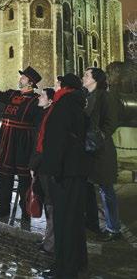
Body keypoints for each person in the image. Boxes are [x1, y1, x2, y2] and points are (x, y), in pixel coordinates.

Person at [31, 73, 89, 279]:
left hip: (64, 172)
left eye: (57, 83)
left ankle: (64, 268)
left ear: (64, 86)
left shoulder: (63, 105)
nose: (54, 86)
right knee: (73, 220)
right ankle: (79, 262)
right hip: (74, 170)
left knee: (64, 222)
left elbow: (57, 142)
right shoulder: (75, 103)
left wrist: (52, 171)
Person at [0, 66, 42, 219]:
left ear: (30, 83)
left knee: (24, 179)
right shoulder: (12, 94)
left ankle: (26, 210)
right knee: (4, 175)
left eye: (23, 78)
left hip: (23, 143)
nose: (20, 79)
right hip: (6, 140)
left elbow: (38, 125)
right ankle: (3, 207)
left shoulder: (36, 100)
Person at [82, 67, 121, 241]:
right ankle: (92, 222)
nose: (83, 77)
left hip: (101, 150)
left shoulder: (105, 96)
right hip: (87, 150)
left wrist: (100, 137)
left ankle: (114, 228)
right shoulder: (86, 97)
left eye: (86, 75)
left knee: (106, 189)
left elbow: (111, 122)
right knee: (89, 187)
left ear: (95, 79)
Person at [30, 87, 55, 256]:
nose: (39, 97)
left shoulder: (50, 117)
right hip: (42, 165)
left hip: (46, 166)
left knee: (51, 204)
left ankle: (51, 244)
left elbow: (43, 144)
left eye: (43, 95)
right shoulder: (44, 113)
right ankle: (48, 238)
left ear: (51, 100)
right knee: (47, 203)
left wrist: (34, 164)